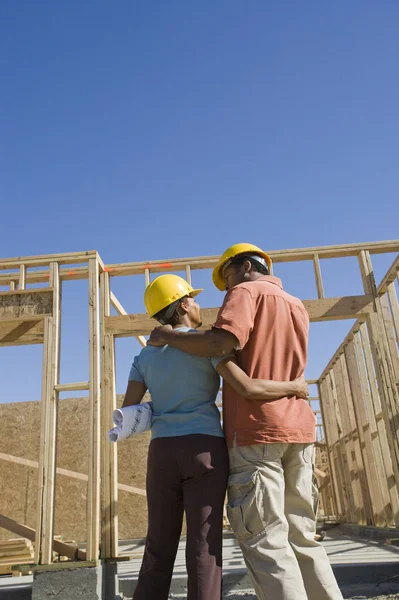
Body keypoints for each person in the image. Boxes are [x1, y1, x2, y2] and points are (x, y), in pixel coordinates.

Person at [148, 243, 343, 600]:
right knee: (302, 534)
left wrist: (171, 337)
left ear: (243, 267)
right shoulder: (296, 304)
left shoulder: (244, 292)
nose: (225, 289)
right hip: (298, 429)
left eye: (226, 278)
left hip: (257, 432)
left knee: (265, 538)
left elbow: (222, 343)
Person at [123, 273, 309, 600]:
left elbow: (129, 413)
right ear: (183, 305)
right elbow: (248, 387)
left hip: (163, 454)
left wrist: (167, 404)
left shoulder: (144, 358)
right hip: (205, 451)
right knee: (203, 547)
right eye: (192, 299)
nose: (197, 304)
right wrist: (294, 387)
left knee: (158, 545)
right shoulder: (206, 345)